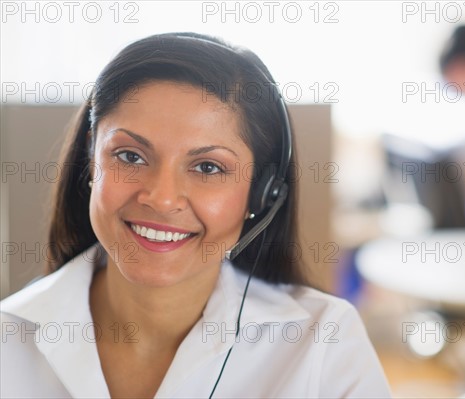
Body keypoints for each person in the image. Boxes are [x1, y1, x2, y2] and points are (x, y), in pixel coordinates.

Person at [0, 33, 391, 398]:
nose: (162, 199)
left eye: (208, 167)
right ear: (91, 159)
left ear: (262, 191)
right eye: (129, 156)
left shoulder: (323, 342)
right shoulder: (9, 337)